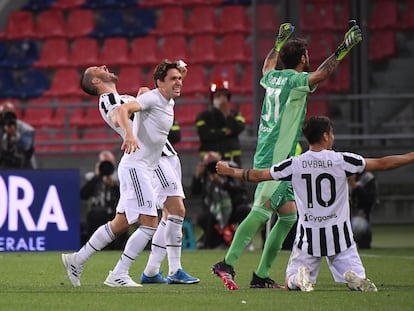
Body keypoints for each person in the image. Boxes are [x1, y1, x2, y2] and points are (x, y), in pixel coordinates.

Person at [212, 21, 363, 290]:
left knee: (289, 216)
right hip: (274, 154)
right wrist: (343, 49)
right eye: (307, 56)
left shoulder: (272, 77)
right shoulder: (295, 80)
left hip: (275, 152)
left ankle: (260, 276)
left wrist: (277, 43)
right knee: (260, 211)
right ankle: (227, 263)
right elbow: (321, 75)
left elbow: (266, 66)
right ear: (303, 58)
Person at [217, 115, 414, 292]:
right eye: (332, 133)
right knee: (357, 275)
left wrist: (230, 171)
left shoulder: (295, 163)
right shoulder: (342, 160)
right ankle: (354, 277)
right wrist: (410, 156)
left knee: (289, 282)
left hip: (308, 238)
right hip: (340, 237)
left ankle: (298, 279)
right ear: (326, 136)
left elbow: (258, 175)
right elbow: (383, 163)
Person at [62, 60, 183, 287]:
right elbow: (119, 116)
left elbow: (137, 110)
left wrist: (143, 97)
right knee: (150, 222)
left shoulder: (123, 97)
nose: (104, 66)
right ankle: (120, 274)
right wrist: (128, 133)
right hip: (139, 162)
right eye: (98, 69)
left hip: (143, 162)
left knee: (122, 222)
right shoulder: (107, 99)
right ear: (96, 81)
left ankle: (76, 260)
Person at [118, 91, 199, 285]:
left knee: (169, 214)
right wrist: (129, 133)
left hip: (169, 156)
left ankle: (152, 270)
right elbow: (127, 107)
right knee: (176, 210)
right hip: (157, 159)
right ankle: (174, 269)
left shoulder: (155, 99)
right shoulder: (118, 101)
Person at [191, 151, 251, 249]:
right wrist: (197, 176)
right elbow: (195, 192)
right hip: (214, 209)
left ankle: (244, 241)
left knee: (244, 210)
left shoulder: (229, 169)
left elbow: (239, 189)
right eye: (209, 164)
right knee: (205, 217)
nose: (212, 167)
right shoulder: (205, 176)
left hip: (232, 207)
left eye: (214, 163)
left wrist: (222, 182)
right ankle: (214, 243)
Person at [80, 150, 128, 250]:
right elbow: (83, 195)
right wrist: (97, 177)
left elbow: (125, 196)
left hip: (114, 212)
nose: (106, 165)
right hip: (96, 213)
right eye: (104, 162)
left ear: (114, 162)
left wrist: (114, 185)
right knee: (94, 217)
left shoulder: (119, 176)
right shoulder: (91, 177)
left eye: (109, 162)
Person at [195, 78, 245, 166]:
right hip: (210, 163)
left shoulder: (235, 114)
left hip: (233, 161)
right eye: (218, 96)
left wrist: (226, 113)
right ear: (212, 98)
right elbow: (205, 136)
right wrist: (225, 132)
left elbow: (238, 128)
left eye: (224, 96)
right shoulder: (203, 116)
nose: (222, 100)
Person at [0, 102, 36, 169]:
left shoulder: (27, 129)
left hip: (24, 166)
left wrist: (15, 135)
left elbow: (26, 146)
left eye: (9, 116)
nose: (6, 120)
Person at [348, 171, 378, 249]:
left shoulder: (367, 177)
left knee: (358, 224)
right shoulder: (338, 174)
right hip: (340, 217)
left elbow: (369, 199)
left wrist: (355, 186)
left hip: (360, 215)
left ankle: (359, 241)